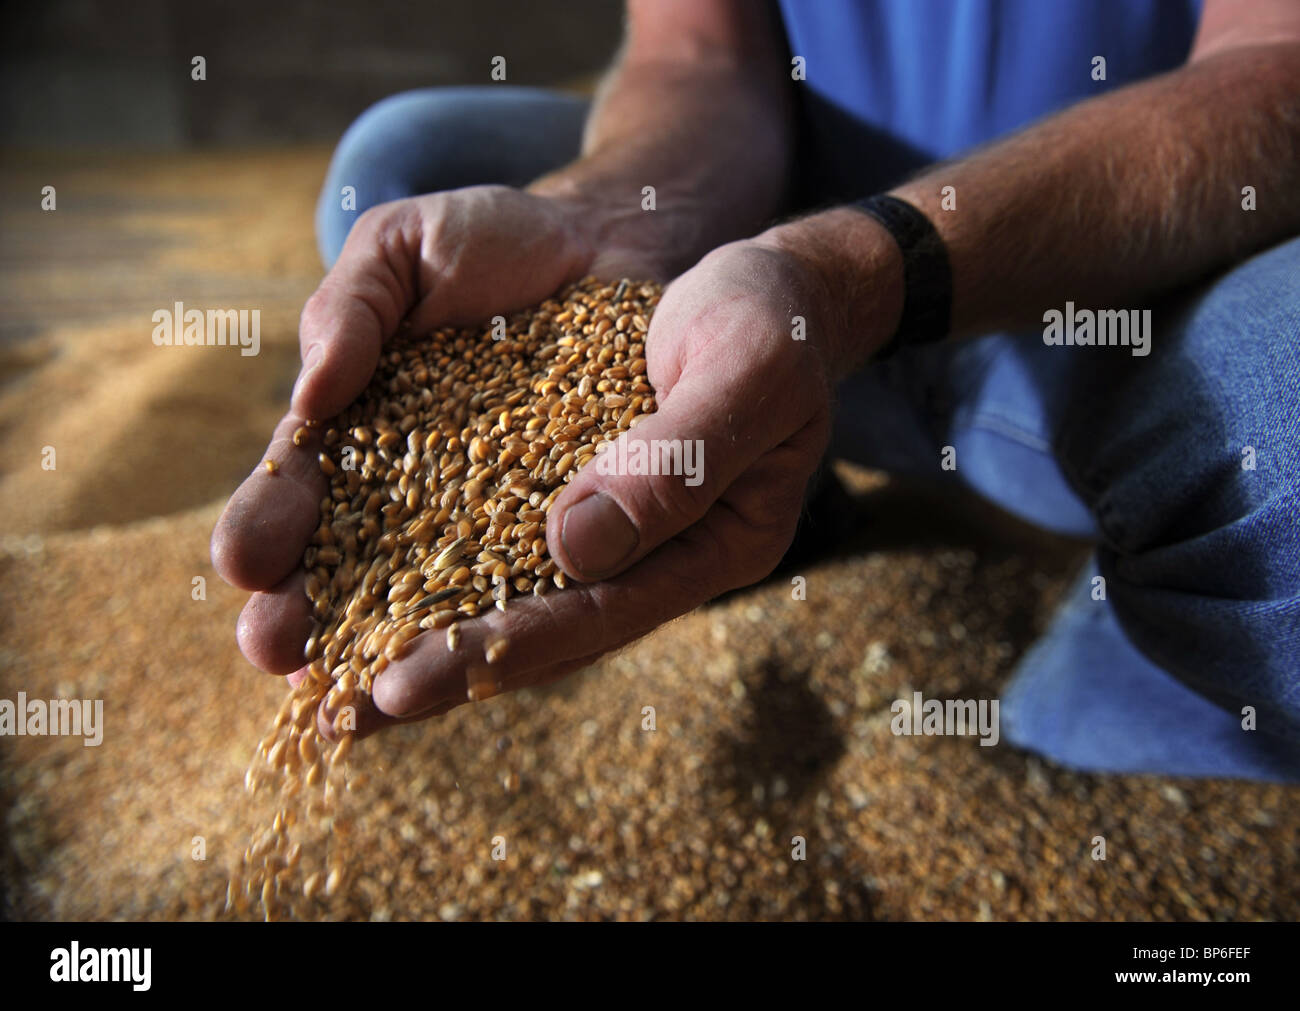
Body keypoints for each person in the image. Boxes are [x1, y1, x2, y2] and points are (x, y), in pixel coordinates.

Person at [212, 0, 1300, 780]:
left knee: (1284, 444)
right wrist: (614, 220)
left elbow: (1276, 71)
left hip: (1141, 289)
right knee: (404, 166)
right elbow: (696, 53)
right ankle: (768, 491)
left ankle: (1138, 604)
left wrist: (851, 276)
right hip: (789, 255)